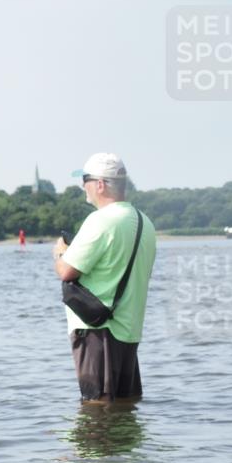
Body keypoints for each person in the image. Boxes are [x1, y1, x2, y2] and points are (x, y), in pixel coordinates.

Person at [53, 153, 156, 403]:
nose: (83, 187)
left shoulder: (101, 220)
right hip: (129, 331)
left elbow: (66, 271)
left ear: (100, 184)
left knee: (96, 409)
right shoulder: (145, 222)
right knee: (124, 407)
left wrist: (60, 252)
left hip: (98, 332)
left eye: (85, 180)